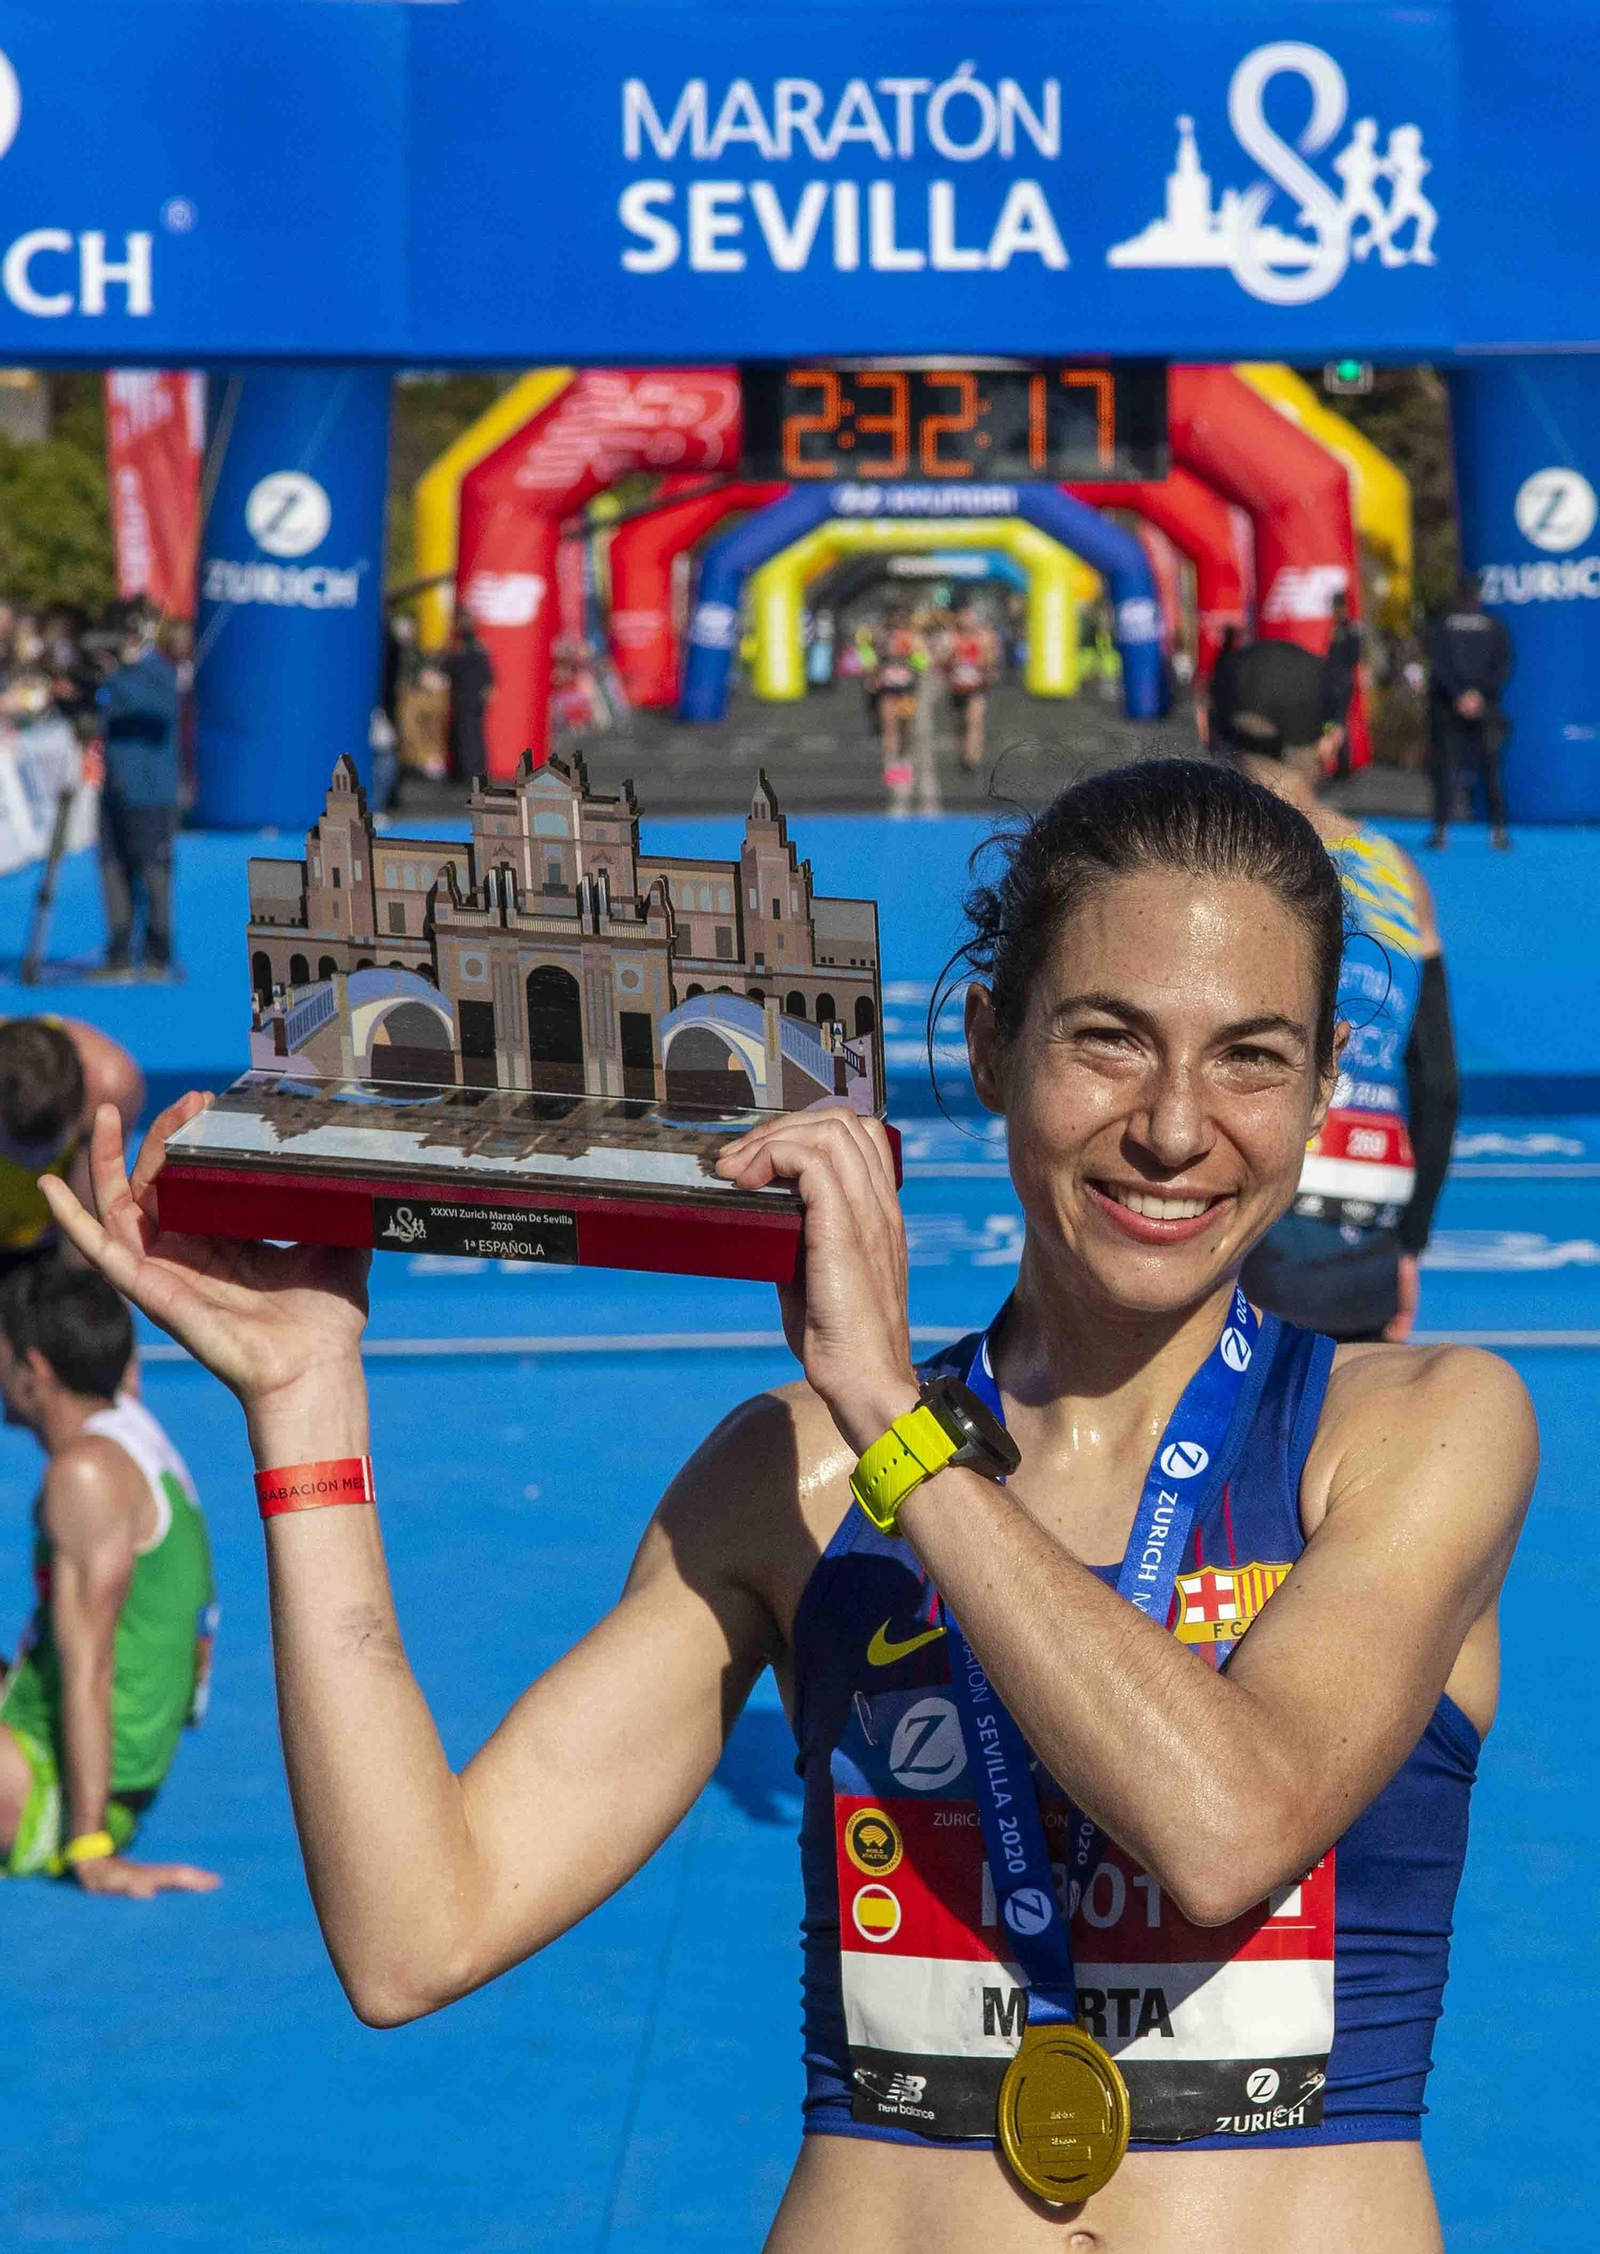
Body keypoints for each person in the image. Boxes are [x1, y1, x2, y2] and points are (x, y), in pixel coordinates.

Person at [46, 760, 1533, 2250]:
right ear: (994, 1041)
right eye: (1110, 1041)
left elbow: (1229, 1826)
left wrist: (898, 1416)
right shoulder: (797, 1473)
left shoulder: (1412, 1432)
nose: (1172, 1126)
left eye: (1251, 1059)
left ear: (1330, 1078)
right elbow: (413, 1932)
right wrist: (306, 1411)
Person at [1213, 640, 1460, 1343]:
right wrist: (1406, 1247)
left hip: (1216, 1213)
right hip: (1357, 1229)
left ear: (1212, 723)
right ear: (1326, 742)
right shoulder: (1397, 876)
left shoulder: (1190, 852)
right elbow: (1437, 1082)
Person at [0, 1262, 218, 1892]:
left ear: (35, 1371)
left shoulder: (85, 1476)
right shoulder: (126, 1415)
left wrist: (90, 1846)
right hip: (69, 1742)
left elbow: (89, 1665)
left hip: (52, 1786)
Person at [0, 1018, 143, 1278]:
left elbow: (89, 1217)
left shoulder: (110, 1088)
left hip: (49, 1244)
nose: (30, 1163)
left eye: (44, 1153)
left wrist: (81, 1295)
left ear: (79, 1114)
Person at [95, 626, 182, 977]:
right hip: (113, 790)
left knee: (152, 872)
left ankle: (157, 953)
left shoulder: (157, 670)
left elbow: (161, 709)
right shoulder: (111, 678)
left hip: (149, 793)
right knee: (112, 867)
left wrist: (116, 677)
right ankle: (118, 949)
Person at [1425, 579, 1513, 849]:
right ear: (1478, 597)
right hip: (1485, 709)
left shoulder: (1441, 628)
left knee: (1446, 770)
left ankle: (1441, 832)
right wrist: (1479, 695)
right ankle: (1497, 832)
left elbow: (1436, 666)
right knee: (1492, 772)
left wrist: (1458, 694)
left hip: (1449, 709)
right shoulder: (1495, 628)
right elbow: (1504, 666)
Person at [869, 608, 924, 804]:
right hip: (887, 689)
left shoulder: (912, 638)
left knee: (906, 727)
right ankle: (891, 765)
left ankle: (905, 758)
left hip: (906, 690)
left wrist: (911, 657)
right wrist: (873, 671)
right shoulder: (880, 637)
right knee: (889, 726)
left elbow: (922, 662)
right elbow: (869, 658)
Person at [942, 602, 1000, 773]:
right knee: (960, 724)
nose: (966, 620)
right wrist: (950, 658)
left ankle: (972, 758)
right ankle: (962, 754)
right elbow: (941, 662)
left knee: (975, 722)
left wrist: (987, 668)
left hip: (977, 687)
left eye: (969, 616)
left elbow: (991, 661)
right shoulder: (950, 638)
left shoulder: (984, 637)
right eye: (962, 616)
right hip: (957, 688)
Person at [443, 615, 495, 780]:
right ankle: (472, 771)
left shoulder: (464, 648)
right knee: (471, 735)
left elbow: (451, 667)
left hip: (466, 698)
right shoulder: (478, 647)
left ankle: (468, 771)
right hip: (471, 698)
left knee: (467, 736)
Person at [1321, 592, 1364, 778]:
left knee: (1338, 722)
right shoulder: (1335, 627)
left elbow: (1352, 656)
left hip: (1342, 680)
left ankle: (1343, 765)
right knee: (1332, 722)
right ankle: (1337, 763)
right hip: (1333, 679)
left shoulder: (1350, 628)